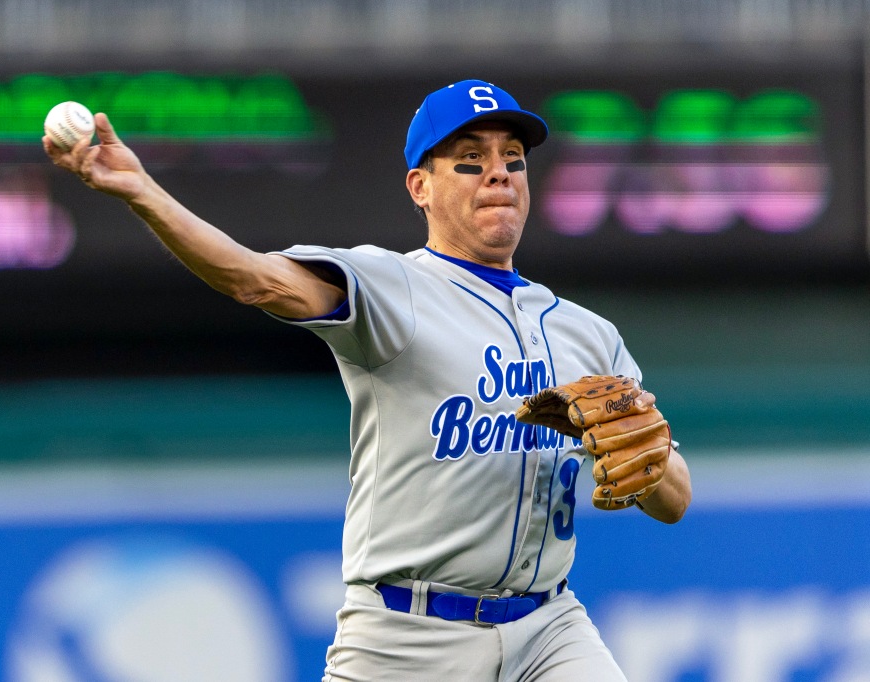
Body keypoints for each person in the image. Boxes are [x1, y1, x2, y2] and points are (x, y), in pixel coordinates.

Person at [44, 78, 692, 681]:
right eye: (469, 157)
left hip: (549, 629)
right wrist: (142, 193)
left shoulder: (588, 335)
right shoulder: (392, 287)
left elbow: (674, 501)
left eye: (512, 157)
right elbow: (253, 278)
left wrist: (640, 453)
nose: (497, 171)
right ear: (420, 186)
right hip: (406, 634)